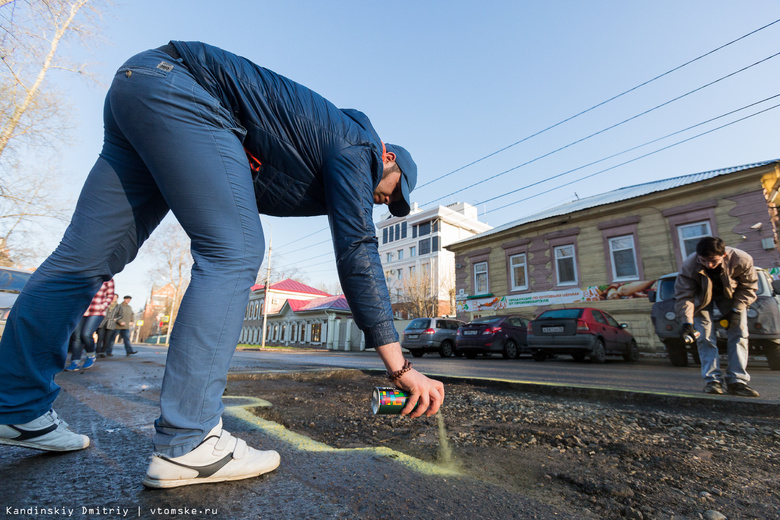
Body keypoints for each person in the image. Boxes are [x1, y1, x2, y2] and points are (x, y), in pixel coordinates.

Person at [0, 41, 444, 488]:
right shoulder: (358, 146)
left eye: (393, 202)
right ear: (386, 158)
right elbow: (357, 250)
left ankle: (16, 407)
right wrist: (400, 367)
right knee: (235, 251)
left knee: (83, 259)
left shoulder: (325, 152)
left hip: (140, 88)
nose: (385, 200)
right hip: (182, 88)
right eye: (392, 189)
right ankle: (188, 442)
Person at [675, 236, 760, 397]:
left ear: (724, 255)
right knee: (704, 337)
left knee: (739, 334)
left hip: (732, 297)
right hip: (702, 299)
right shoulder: (690, 265)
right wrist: (687, 322)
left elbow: (749, 287)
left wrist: (736, 310)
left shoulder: (741, 259)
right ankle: (712, 381)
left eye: (713, 261)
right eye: (704, 261)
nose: (709, 265)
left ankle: (737, 381)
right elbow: (684, 295)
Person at [65, 279, 116, 371]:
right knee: (77, 336)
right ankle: (75, 361)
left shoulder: (108, 278)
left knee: (86, 334)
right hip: (80, 309)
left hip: (96, 310)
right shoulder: (86, 275)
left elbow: (110, 295)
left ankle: (91, 355)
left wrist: (103, 306)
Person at [96, 293, 118, 358]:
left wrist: (116, 319)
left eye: (116, 297)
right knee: (100, 337)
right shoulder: (105, 304)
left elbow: (121, 315)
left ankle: (103, 351)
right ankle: (98, 351)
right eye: (113, 297)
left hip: (111, 324)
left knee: (107, 339)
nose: (114, 298)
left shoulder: (118, 306)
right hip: (102, 323)